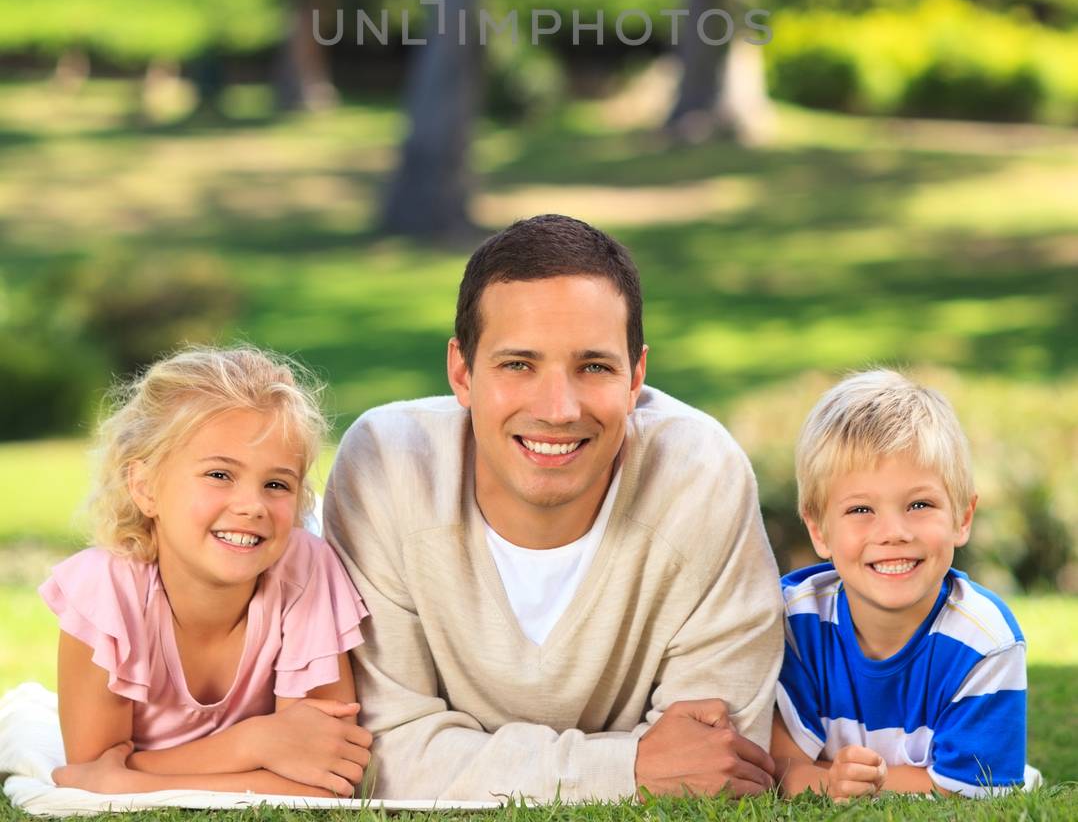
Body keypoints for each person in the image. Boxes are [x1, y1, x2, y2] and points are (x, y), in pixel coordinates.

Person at [324, 213, 783, 804]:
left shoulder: (700, 477)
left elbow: (719, 759)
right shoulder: (387, 467)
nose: (559, 408)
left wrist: (463, 763)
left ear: (636, 374)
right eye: (519, 364)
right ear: (462, 372)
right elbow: (379, 751)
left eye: (593, 367)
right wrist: (628, 769)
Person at [39, 344, 372, 799]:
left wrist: (132, 779)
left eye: (277, 484)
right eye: (219, 475)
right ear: (144, 486)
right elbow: (89, 772)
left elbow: (327, 777)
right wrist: (255, 743)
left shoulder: (306, 572)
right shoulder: (105, 593)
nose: (252, 506)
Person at [771, 368, 1039, 798]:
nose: (894, 532)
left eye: (919, 504)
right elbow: (780, 765)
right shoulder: (794, 621)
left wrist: (851, 783)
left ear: (962, 517)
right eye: (861, 510)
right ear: (819, 530)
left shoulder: (985, 641)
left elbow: (971, 791)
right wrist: (823, 779)